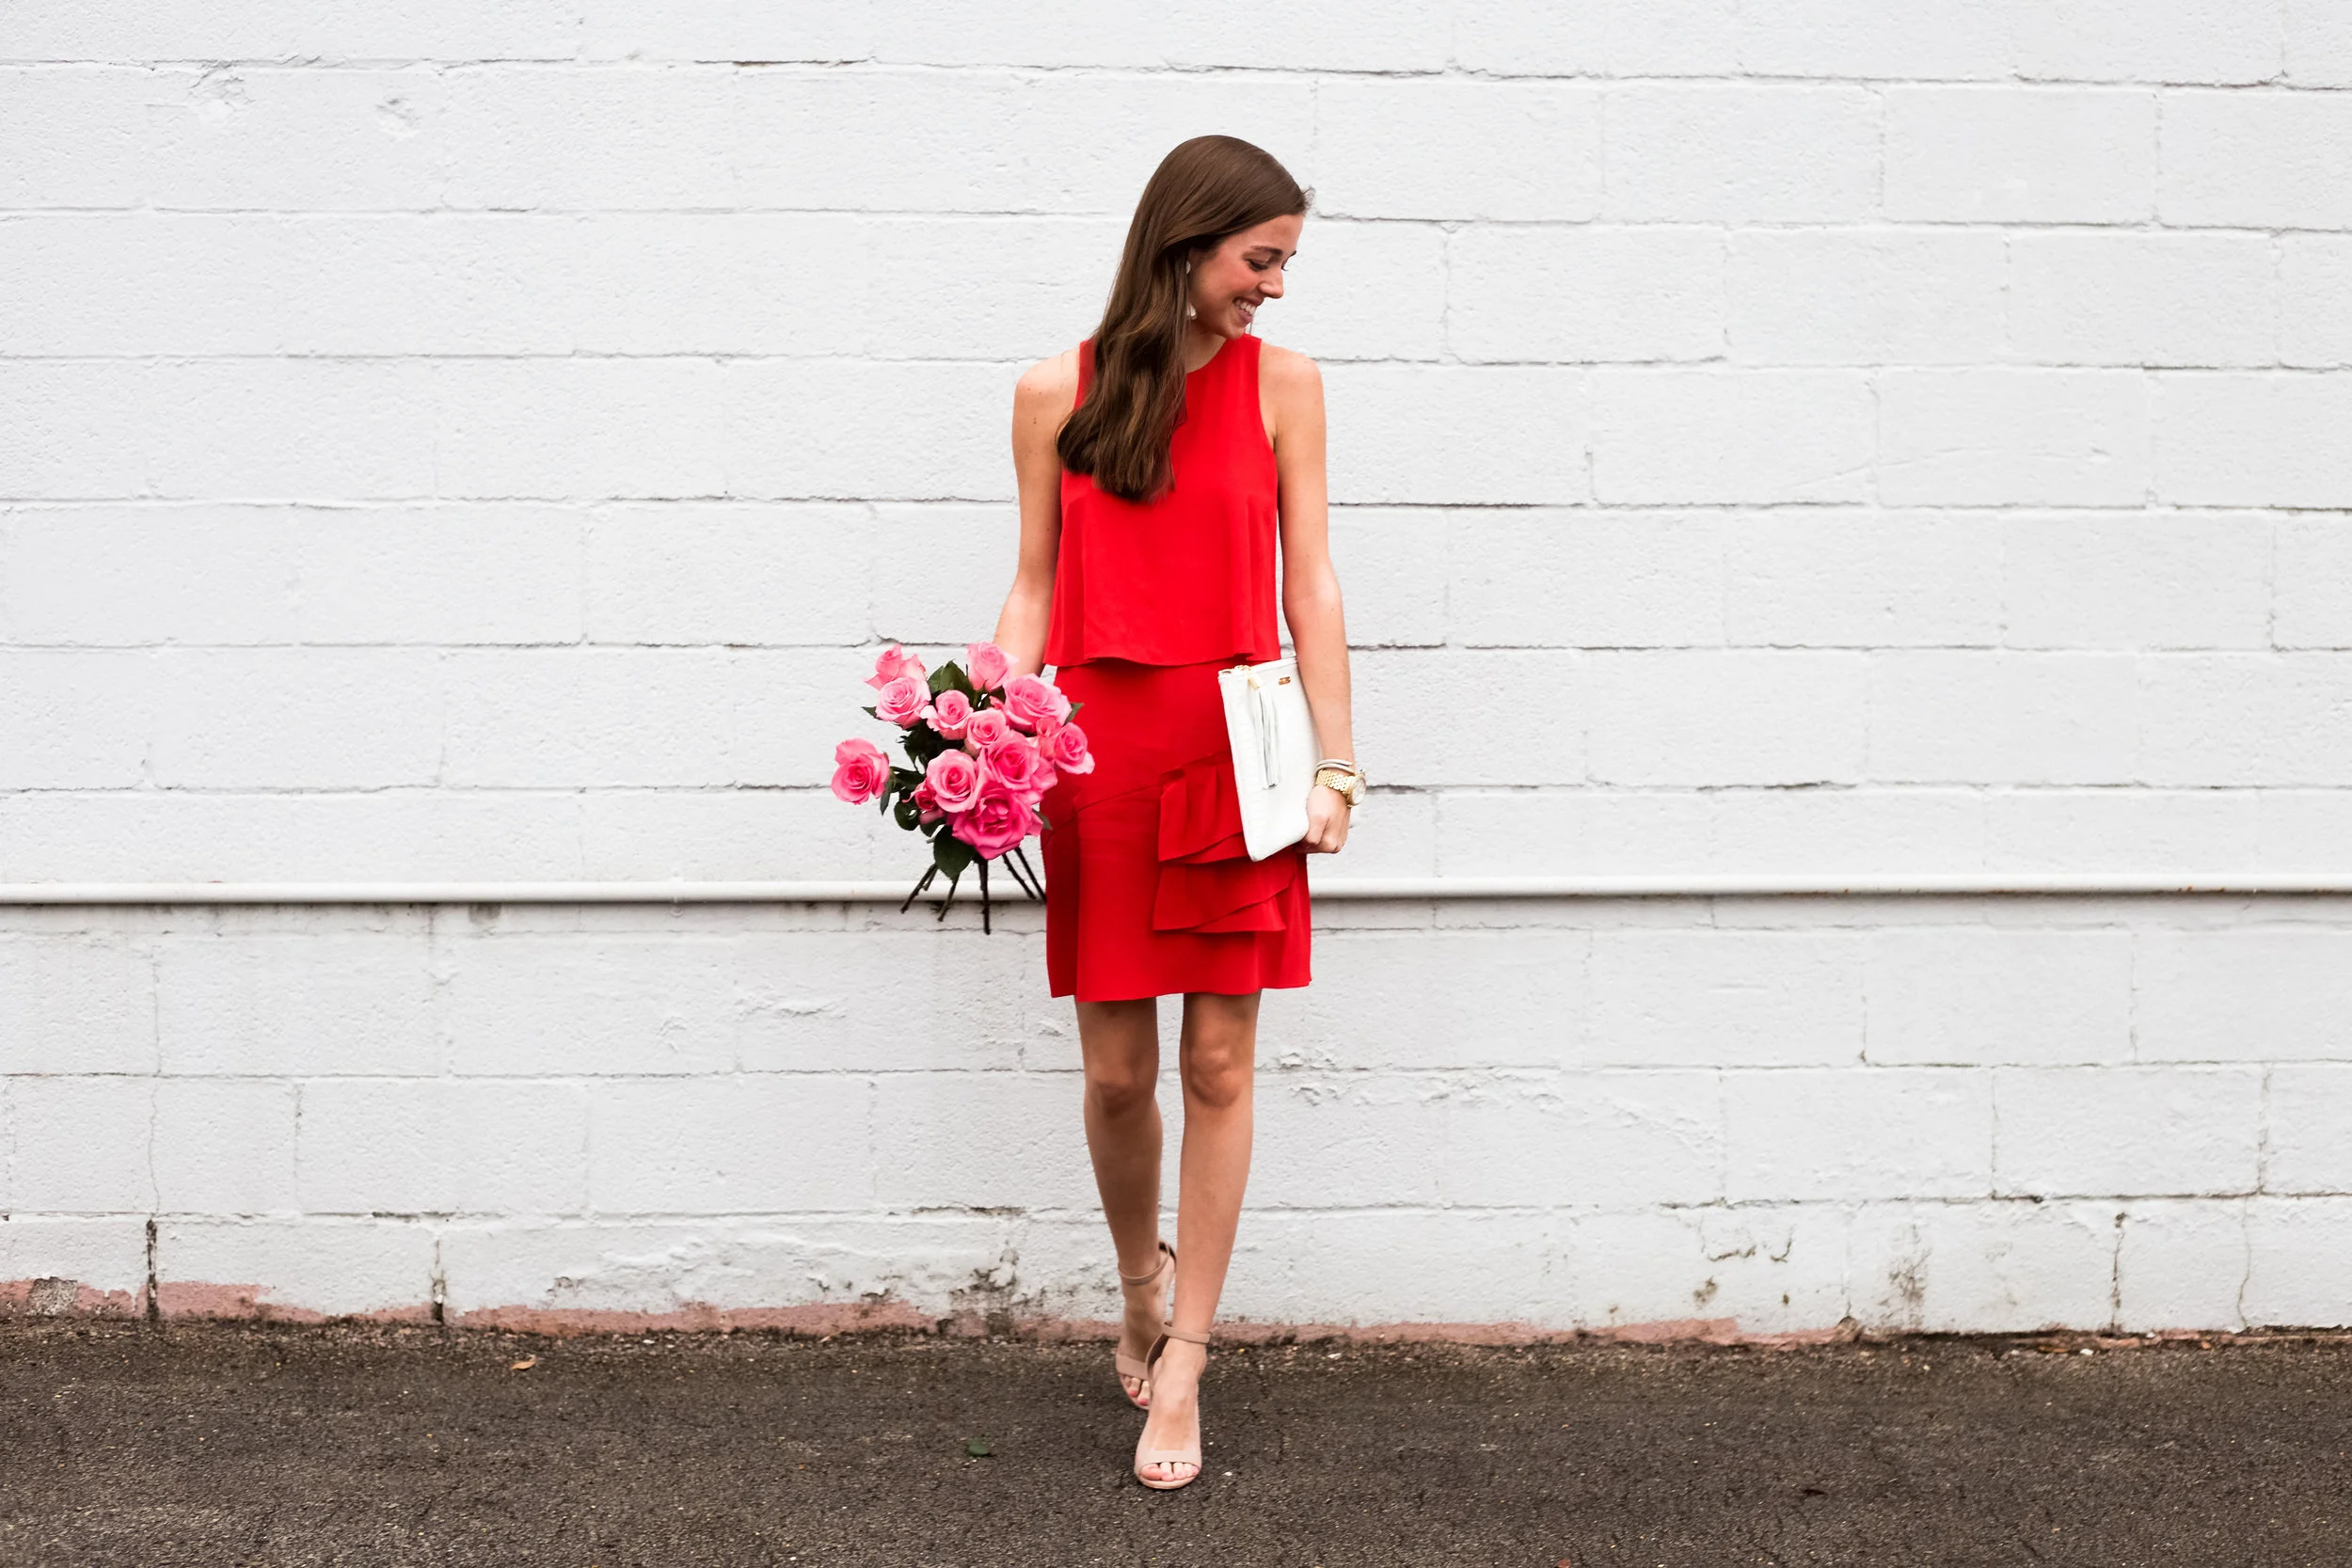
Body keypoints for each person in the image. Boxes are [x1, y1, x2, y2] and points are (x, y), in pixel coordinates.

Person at [989, 134, 1362, 1491]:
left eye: (1285, 263)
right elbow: (1033, 586)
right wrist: (977, 728)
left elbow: (1309, 582)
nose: (1274, 286)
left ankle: (1189, 1353)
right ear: (1186, 244)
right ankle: (1136, 1284)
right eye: (1261, 260)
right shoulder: (1052, 392)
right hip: (1096, 751)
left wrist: (1336, 760)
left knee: (1216, 1064)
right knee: (1115, 1073)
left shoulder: (1286, 389)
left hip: (1235, 746)